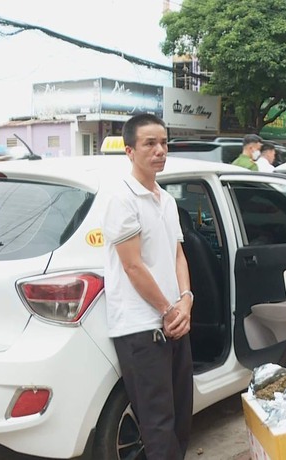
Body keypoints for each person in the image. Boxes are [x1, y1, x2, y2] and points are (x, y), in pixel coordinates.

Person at [101, 113, 194, 459]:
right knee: (157, 425)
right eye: (149, 143)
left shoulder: (166, 199)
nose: (159, 150)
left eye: (164, 143)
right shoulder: (121, 199)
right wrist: (168, 310)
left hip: (174, 322)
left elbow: (178, 256)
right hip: (142, 329)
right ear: (129, 151)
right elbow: (132, 265)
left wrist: (185, 301)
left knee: (181, 419)